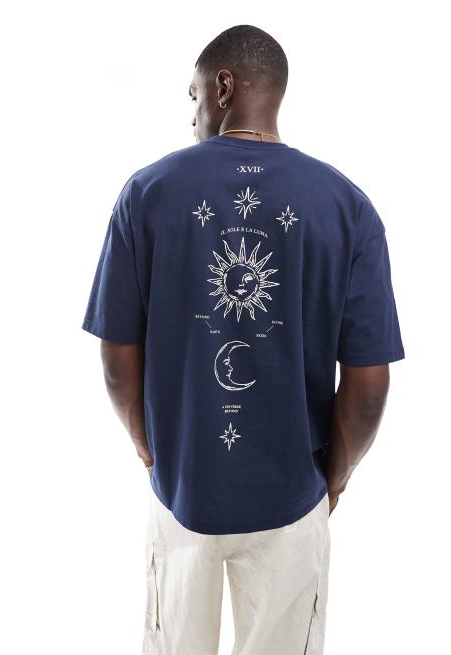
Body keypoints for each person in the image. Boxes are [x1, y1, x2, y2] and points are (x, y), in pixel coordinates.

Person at [81, 24, 405, 655]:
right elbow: (369, 386)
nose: (192, 116)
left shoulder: (146, 194)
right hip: (293, 497)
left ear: (223, 87)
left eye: (194, 96)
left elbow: (117, 357)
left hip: (183, 492)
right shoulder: (347, 206)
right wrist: (334, 480)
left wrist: (148, 448)